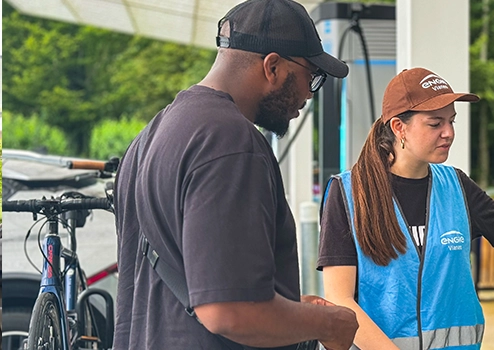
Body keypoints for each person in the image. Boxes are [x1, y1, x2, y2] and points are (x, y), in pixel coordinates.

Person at [113, 0, 358, 349]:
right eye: (311, 76)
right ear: (272, 67)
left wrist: (290, 312)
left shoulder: (153, 134)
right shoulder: (231, 142)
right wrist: (329, 323)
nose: (308, 94)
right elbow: (229, 311)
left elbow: (195, 281)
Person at [317, 67, 494, 350]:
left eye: (451, 121)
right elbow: (340, 300)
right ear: (398, 127)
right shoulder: (348, 193)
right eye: (435, 123)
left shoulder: (456, 187)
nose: (449, 133)